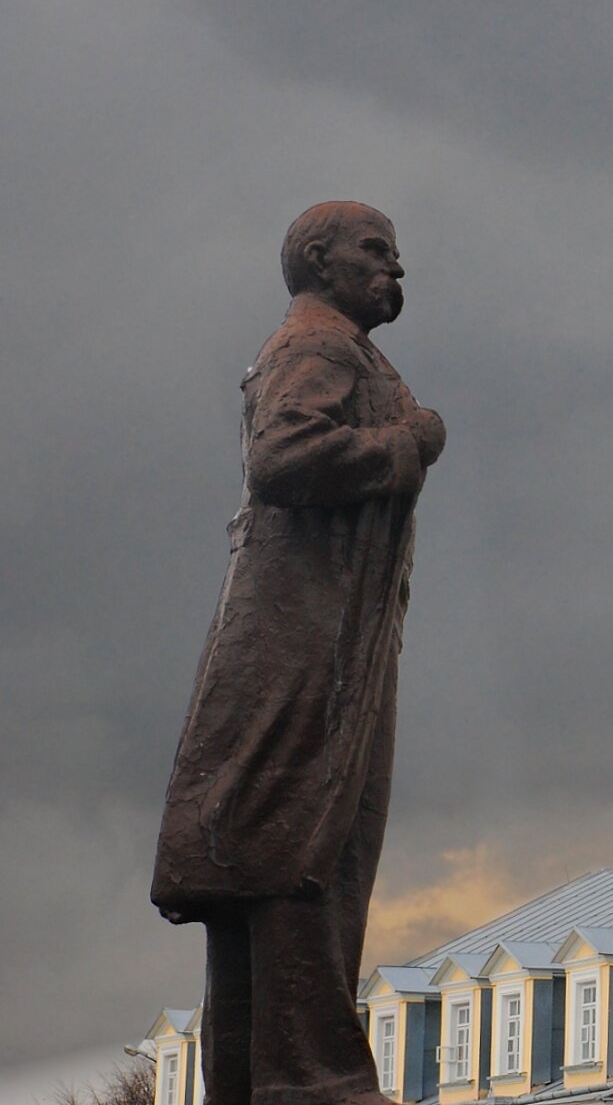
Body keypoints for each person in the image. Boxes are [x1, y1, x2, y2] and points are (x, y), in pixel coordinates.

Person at [152, 202, 445, 1105]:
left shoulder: (333, 348)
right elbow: (282, 457)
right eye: (377, 252)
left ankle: (259, 1076)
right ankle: (315, 1079)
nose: (396, 269)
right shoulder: (320, 345)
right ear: (320, 260)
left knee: (281, 842)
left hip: (311, 632)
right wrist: (407, 444)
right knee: (303, 837)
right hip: (307, 641)